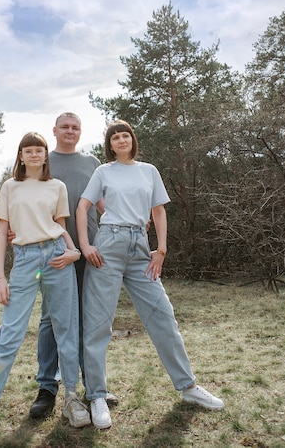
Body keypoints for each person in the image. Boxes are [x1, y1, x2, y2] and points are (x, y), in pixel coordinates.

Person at [76, 120, 225, 429]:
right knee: (99, 323)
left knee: (163, 315)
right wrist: (86, 244)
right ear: (110, 144)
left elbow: (158, 211)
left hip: (141, 249)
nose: (120, 140)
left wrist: (161, 249)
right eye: (115, 137)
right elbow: (83, 206)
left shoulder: (149, 171)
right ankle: (97, 395)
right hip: (108, 245)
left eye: (125, 135)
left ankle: (188, 387)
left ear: (133, 140)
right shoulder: (103, 172)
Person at [0, 132, 90, 448]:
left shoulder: (57, 186)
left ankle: (71, 398)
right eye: (29, 150)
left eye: (40, 150)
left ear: (45, 155)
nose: (35, 155)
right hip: (26, 261)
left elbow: (61, 227)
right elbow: (2, 232)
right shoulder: (10, 187)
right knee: (8, 336)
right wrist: (0, 277)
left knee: (66, 328)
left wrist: (74, 252)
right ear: (21, 155)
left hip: (57, 258)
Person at [9, 112, 118, 419]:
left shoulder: (92, 163)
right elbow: (20, 200)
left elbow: (103, 204)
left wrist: (128, 217)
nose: (70, 131)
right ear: (54, 130)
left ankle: (94, 387)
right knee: (50, 320)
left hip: (89, 252)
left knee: (90, 319)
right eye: (65, 127)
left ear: (81, 133)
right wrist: (14, 229)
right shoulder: (43, 160)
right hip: (50, 256)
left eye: (76, 127)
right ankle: (47, 387)